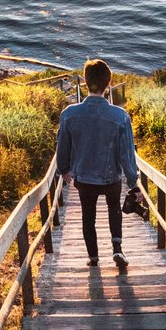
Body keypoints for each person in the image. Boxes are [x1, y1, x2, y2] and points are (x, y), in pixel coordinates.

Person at [56, 58, 140, 268]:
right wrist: (133, 183)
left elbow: (62, 145)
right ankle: (117, 249)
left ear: (85, 82)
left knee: (88, 216)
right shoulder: (120, 116)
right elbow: (127, 154)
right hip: (111, 176)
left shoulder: (69, 114)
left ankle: (93, 257)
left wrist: (64, 169)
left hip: (83, 176)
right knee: (114, 208)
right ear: (108, 84)